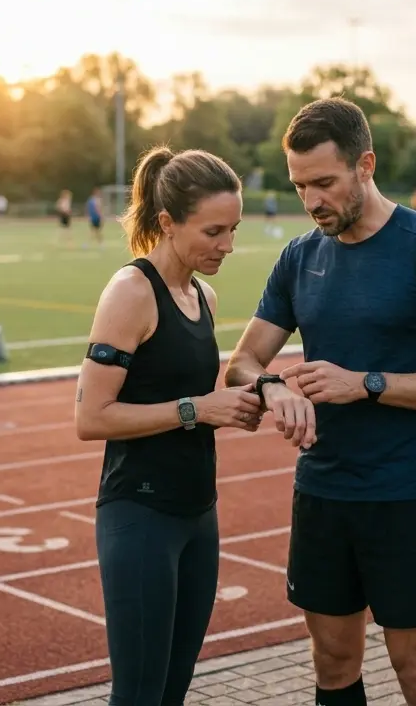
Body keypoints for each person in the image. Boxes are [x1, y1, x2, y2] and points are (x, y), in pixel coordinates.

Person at [224, 98, 416, 706]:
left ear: (365, 164)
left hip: (405, 492)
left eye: (324, 182)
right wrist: (272, 388)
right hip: (323, 492)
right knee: (334, 659)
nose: (312, 200)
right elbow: (241, 363)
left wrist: (366, 382)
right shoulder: (299, 257)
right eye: (300, 186)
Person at [73, 145, 262, 705]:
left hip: (198, 515)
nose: (227, 245)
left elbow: (198, 395)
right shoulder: (131, 292)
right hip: (140, 517)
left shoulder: (203, 294)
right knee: (138, 696)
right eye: (212, 232)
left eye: (233, 229)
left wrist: (246, 402)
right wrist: (198, 409)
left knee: (173, 692)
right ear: (167, 222)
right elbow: (90, 417)